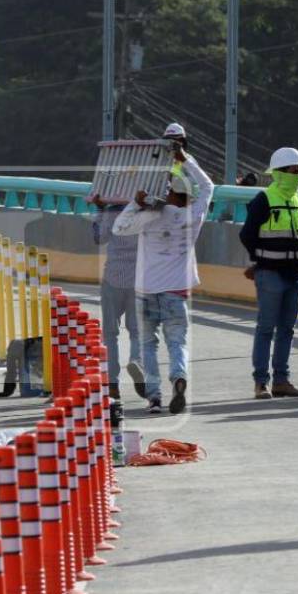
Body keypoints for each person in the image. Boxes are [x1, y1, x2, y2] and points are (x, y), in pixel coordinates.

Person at [113, 143, 215, 414]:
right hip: (177, 293)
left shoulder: (151, 215)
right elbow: (208, 187)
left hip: (146, 291)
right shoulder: (194, 215)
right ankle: (179, 377)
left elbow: (119, 228)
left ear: (169, 193)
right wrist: (187, 159)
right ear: (187, 196)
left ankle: (154, 398)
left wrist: (136, 203)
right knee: (177, 342)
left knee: (148, 345)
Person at [239, 146, 298, 399]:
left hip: (295, 274)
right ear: (279, 173)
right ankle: (261, 382)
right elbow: (246, 234)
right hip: (270, 274)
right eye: (294, 170)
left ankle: (282, 380)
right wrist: (260, 261)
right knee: (266, 328)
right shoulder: (264, 199)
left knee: (287, 330)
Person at [92, 195, 140, 400]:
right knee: (137, 331)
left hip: (113, 277)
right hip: (139, 279)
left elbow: (98, 238)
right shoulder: (143, 213)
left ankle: (112, 383)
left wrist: (100, 211)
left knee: (110, 334)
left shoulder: (111, 213)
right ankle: (137, 362)